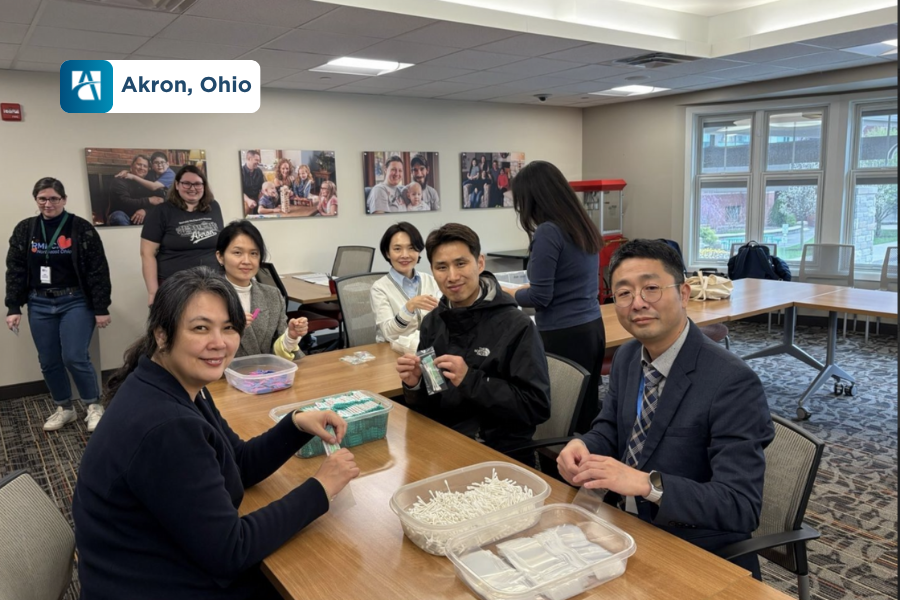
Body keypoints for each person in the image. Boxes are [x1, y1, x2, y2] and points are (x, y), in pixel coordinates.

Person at [73, 267, 359, 600]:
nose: (219, 344)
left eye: (229, 328)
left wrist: (295, 424)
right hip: (153, 583)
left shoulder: (176, 383)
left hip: (158, 563)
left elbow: (237, 462)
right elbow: (230, 551)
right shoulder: (167, 425)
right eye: (200, 328)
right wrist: (320, 488)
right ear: (162, 334)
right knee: (326, 577)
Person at [556, 239, 774, 578]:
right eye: (624, 293)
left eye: (651, 288)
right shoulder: (629, 356)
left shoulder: (732, 383)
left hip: (692, 550)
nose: (637, 303)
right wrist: (584, 445)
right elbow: (612, 427)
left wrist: (647, 485)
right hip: (622, 530)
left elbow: (739, 505)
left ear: (684, 293)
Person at [395, 223, 550, 463]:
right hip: (445, 442)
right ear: (432, 271)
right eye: (442, 267)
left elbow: (536, 406)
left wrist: (471, 379)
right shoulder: (433, 323)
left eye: (461, 263)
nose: (452, 277)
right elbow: (432, 401)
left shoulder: (516, 325)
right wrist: (415, 385)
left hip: (498, 452)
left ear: (479, 263)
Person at [5, 177, 111, 432]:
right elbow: (15, 269)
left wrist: (101, 307)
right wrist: (13, 306)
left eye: (54, 198)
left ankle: (93, 405)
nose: (48, 203)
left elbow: (98, 270)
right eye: (42, 198)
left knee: (74, 356)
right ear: (36, 200)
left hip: (75, 300)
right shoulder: (26, 229)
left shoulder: (80, 228)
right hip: (39, 302)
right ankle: (64, 408)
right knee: (49, 360)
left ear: (63, 199)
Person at [512, 160, 606, 434]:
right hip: (591, 328)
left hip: (562, 333)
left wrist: (512, 294)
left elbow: (541, 296)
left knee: (561, 417)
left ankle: (561, 471)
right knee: (585, 409)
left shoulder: (548, 231)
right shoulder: (581, 225)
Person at [216, 220, 308, 358]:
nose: (247, 261)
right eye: (237, 253)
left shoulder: (272, 295)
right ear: (220, 257)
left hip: (267, 375)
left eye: (254, 253)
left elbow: (276, 352)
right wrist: (230, 329)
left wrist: (290, 336)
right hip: (223, 376)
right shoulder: (206, 297)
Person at [140, 166, 223, 306]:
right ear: (177, 185)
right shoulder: (161, 211)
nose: (192, 188)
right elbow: (147, 254)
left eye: (197, 183)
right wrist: (153, 293)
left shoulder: (213, 207)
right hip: (175, 285)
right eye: (186, 183)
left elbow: (221, 245)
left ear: (204, 186)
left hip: (212, 283)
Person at [370, 222, 441, 344]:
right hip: (392, 351)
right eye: (397, 249)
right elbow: (388, 333)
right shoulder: (379, 288)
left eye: (411, 248)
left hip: (428, 348)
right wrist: (409, 308)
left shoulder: (430, 280)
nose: (405, 255)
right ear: (387, 253)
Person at [107, 154, 164, 226]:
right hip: (122, 214)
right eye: (139, 164)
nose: (142, 168)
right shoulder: (119, 180)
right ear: (131, 167)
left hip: (141, 216)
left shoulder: (149, 183)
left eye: (145, 166)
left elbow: (159, 202)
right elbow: (124, 202)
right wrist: (148, 200)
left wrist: (145, 211)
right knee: (118, 217)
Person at [241, 150, 264, 216]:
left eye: (258, 160)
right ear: (249, 159)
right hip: (246, 198)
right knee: (248, 207)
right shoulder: (241, 171)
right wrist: (248, 200)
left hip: (258, 197)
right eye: (256, 160)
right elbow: (238, 191)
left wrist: (261, 194)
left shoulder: (259, 171)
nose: (258, 162)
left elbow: (263, 186)